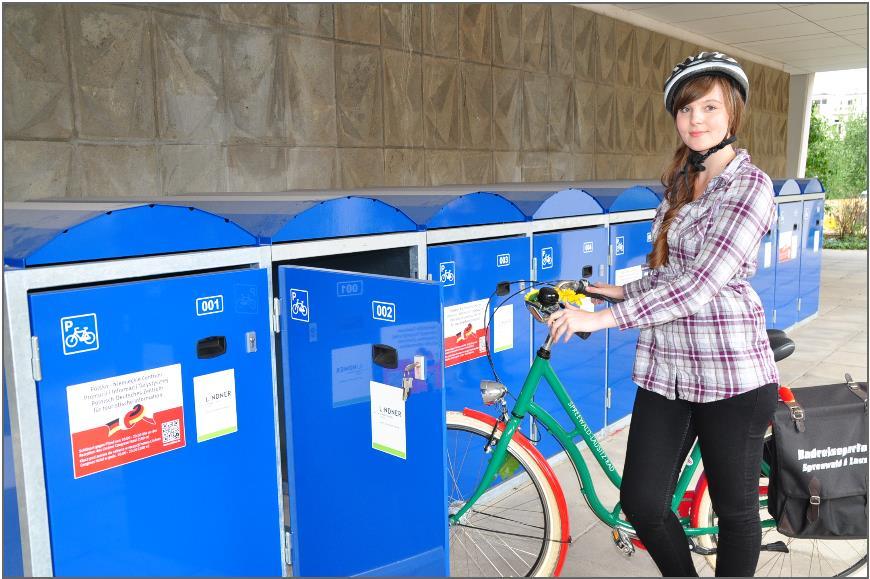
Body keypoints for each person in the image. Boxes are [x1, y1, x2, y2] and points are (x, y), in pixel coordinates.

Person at [546, 52, 779, 577]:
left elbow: (701, 282)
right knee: (644, 502)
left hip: (731, 374)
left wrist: (602, 322)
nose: (696, 120)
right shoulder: (680, 182)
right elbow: (670, 273)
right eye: (686, 109)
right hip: (667, 372)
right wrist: (607, 292)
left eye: (710, 108)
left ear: (732, 114)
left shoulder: (751, 186)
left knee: (736, 510)